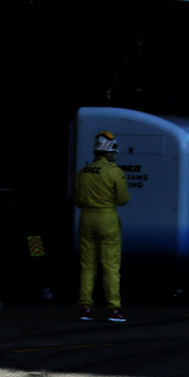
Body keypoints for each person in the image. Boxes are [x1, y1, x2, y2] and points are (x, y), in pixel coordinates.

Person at [74, 131, 131, 322]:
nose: (115, 154)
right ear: (109, 151)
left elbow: (78, 201)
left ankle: (85, 308)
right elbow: (123, 200)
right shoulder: (115, 172)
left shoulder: (83, 172)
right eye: (114, 151)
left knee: (87, 267)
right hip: (107, 219)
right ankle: (114, 309)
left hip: (86, 218)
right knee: (111, 267)